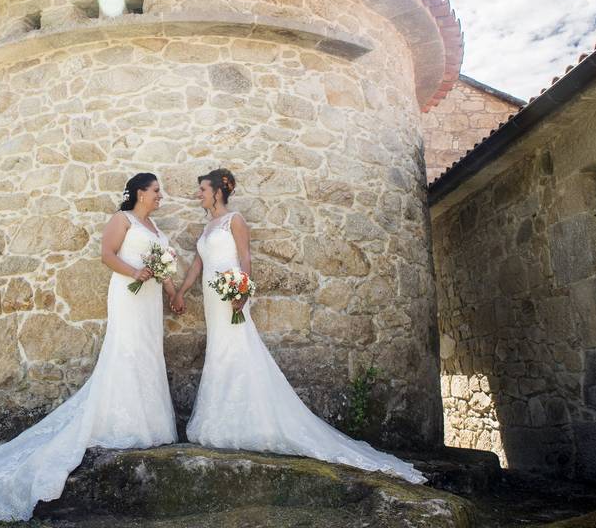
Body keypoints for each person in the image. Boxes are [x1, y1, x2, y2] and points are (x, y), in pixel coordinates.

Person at [0, 173, 179, 521]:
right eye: (156, 190)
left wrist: (172, 290)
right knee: (127, 351)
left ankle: (152, 423)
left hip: (149, 300)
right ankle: (124, 421)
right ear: (141, 193)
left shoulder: (155, 229)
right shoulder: (122, 219)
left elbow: (162, 265)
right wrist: (135, 272)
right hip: (129, 294)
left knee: (147, 352)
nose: (161, 195)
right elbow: (107, 255)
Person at [171, 168, 426, 484]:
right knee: (219, 352)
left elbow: (245, 258)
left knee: (238, 348)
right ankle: (220, 418)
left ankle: (252, 421)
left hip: (231, 293)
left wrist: (242, 290)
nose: (200, 194)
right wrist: (182, 291)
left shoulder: (233, 220)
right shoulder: (207, 226)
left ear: (218, 192)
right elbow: (199, 262)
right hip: (212, 298)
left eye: (203, 189)